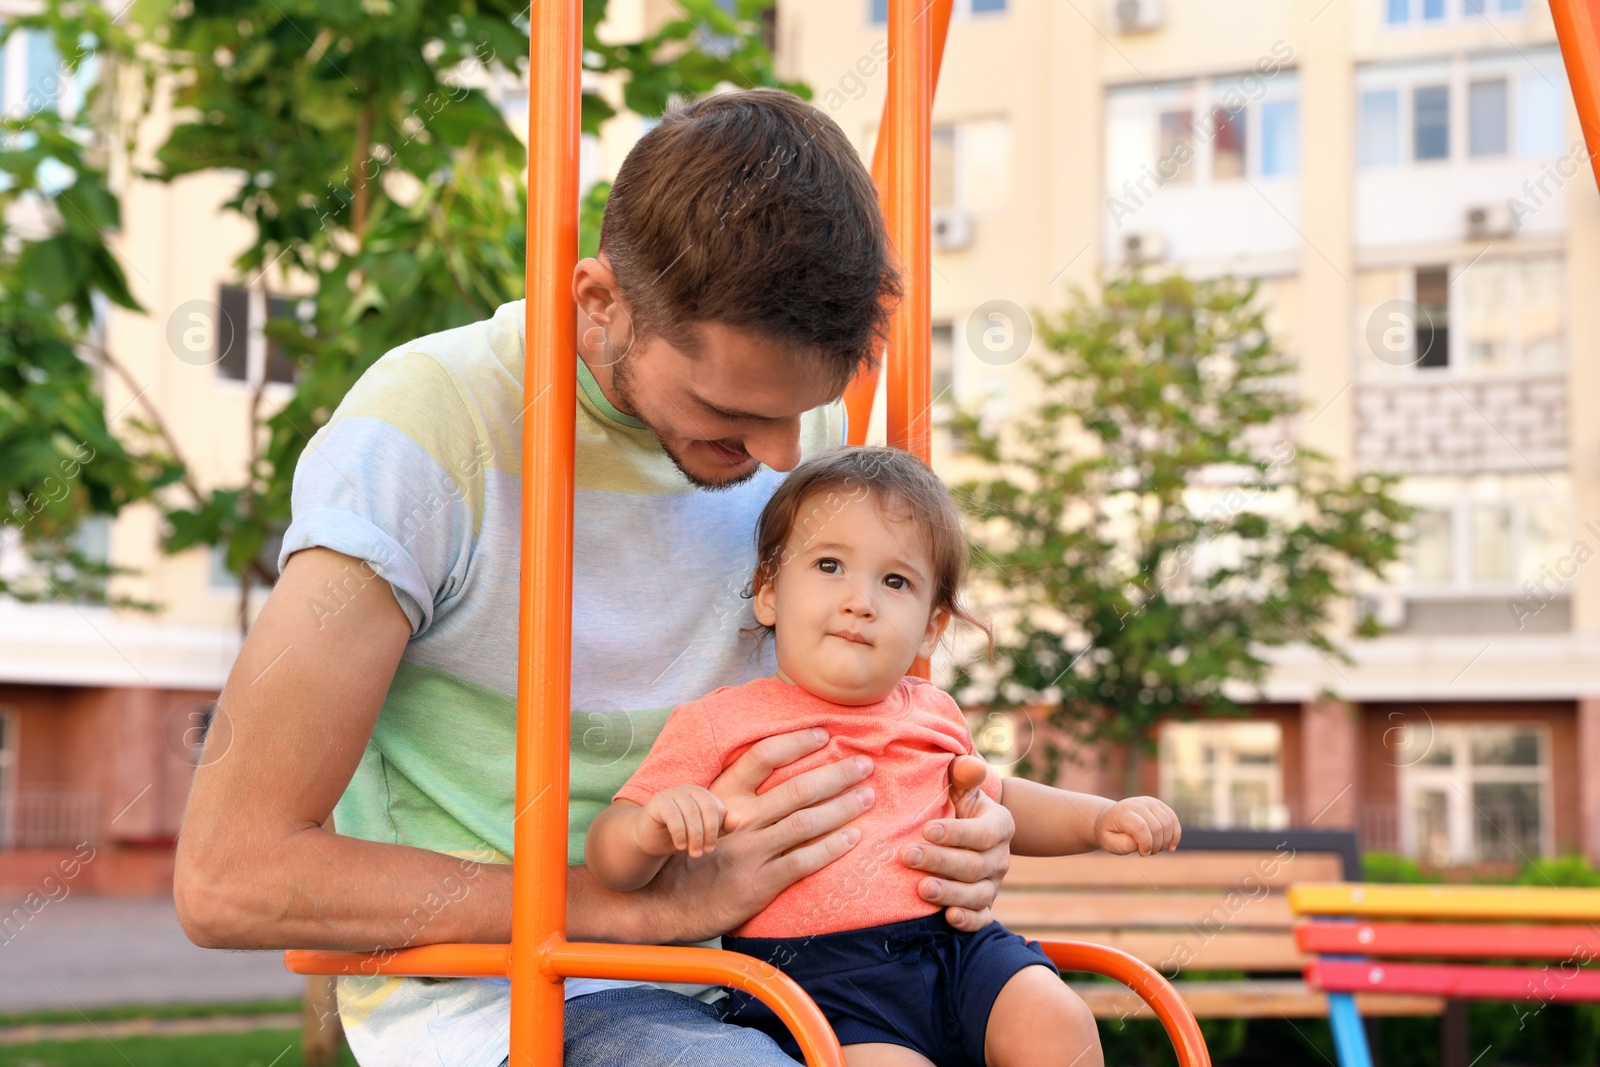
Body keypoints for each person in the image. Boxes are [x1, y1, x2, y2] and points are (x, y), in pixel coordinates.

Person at [173, 89, 1018, 1067]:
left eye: (809, 410)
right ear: (599, 305)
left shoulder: (794, 436)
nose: (786, 454)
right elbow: (229, 873)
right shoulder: (431, 429)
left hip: (796, 963)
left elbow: (861, 717)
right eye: (726, 407)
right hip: (518, 989)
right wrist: (640, 907)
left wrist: (959, 820)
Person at [585, 447, 1183, 1067]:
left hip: (958, 947)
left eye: (895, 581)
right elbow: (611, 856)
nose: (860, 600)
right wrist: (653, 827)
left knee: (1059, 1022)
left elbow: (1003, 800)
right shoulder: (722, 720)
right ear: (768, 592)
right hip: (821, 980)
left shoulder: (933, 711)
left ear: (930, 626)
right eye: (828, 565)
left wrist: (1097, 819)